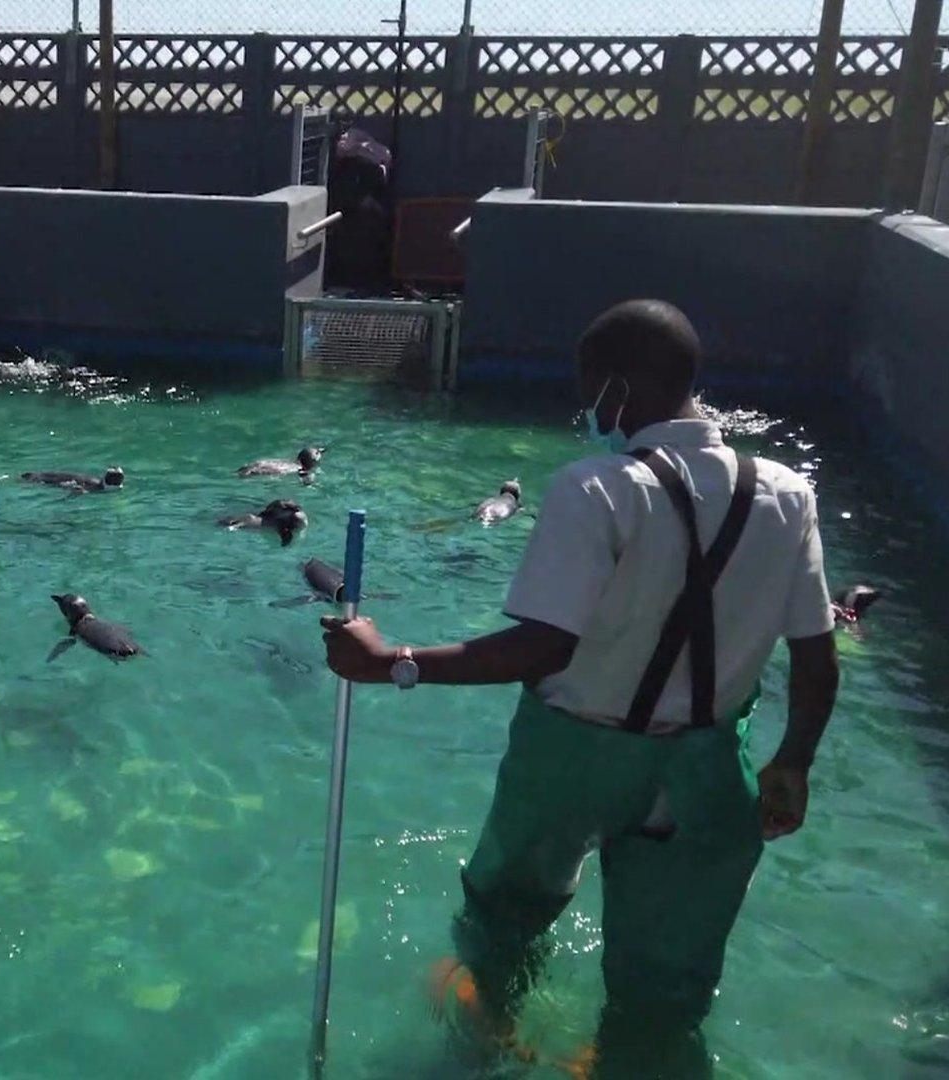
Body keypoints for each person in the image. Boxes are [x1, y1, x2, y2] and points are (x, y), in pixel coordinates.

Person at [321, 299, 840, 1076]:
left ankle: (488, 1036)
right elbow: (815, 655)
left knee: (503, 922)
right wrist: (792, 761)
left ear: (618, 390)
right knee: (668, 980)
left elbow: (543, 645)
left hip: (571, 758)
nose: (587, 408)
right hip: (704, 774)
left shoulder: (596, 488)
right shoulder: (788, 494)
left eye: (590, 388)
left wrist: (391, 659)